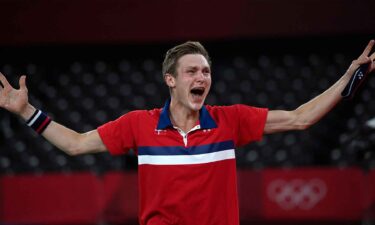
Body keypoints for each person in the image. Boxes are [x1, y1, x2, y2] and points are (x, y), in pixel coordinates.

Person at [0, 40, 374, 225]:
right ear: (171, 80)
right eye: (192, 71)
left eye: (206, 71)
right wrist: (27, 111)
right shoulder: (138, 124)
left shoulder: (230, 120)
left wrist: (348, 78)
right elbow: (76, 144)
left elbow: (299, 118)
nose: (202, 78)